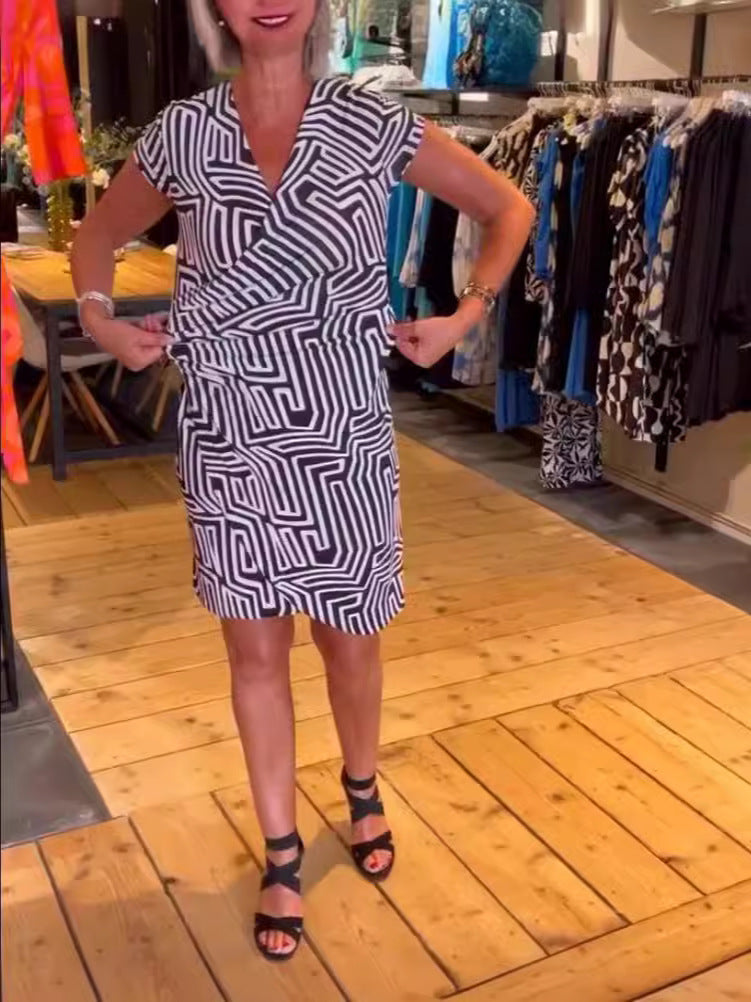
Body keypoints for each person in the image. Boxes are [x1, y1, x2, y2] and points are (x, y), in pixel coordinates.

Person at [71, 0, 533, 963]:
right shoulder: (185, 132)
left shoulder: (369, 121)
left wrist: (465, 314)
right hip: (230, 436)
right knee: (254, 655)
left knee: (349, 643)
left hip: (343, 436)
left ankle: (361, 788)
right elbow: (94, 240)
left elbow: (507, 207)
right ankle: (280, 851)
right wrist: (103, 316)